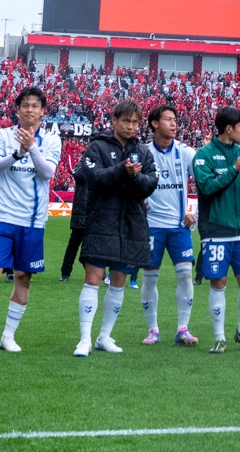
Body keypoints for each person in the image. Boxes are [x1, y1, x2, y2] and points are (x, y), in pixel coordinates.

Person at [0, 85, 58, 357]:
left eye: (35, 106)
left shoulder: (52, 140)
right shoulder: (3, 135)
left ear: (43, 112)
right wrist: (18, 152)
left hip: (32, 221)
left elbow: (48, 173)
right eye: (25, 105)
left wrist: (31, 149)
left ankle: (8, 336)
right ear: (18, 109)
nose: (29, 110)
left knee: (23, 278)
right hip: (3, 218)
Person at [75, 99, 157, 355]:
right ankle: (85, 338)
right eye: (126, 121)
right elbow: (94, 179)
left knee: (119, 281)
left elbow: (150, 183)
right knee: (93, 279)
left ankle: (104, 336)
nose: (131, 126)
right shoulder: (96, 147)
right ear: (114, 121)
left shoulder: (143, 152)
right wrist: (123, 170)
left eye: (135, 122)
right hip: (101, 221)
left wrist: (134, 176)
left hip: (131, 223)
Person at [190, 105, 240, 353]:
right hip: (215, 229)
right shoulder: (203, 156)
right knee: (218, 281)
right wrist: (234, 170)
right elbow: (207, 187)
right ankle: (219, 337)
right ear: (228, 129)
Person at [137, 103, 197, 347]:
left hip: (178, 226)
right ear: (154, 123)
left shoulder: (185, 152)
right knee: (150, 278)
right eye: (168, 119)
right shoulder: (142, 152)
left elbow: (207, 183)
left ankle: (183, 328)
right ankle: (153, 329)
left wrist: (196, 213)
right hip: (150, 226)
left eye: (175, 119)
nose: (174, 124)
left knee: (185, 275)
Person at [59, 155, 89, 282]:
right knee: (74, 245)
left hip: (93, 213)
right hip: (80, 213)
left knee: (90, 246)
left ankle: (98, 273)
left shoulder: (100, 166)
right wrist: (88, 164)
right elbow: (76, 173)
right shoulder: (81, 166)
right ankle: (65, 272)